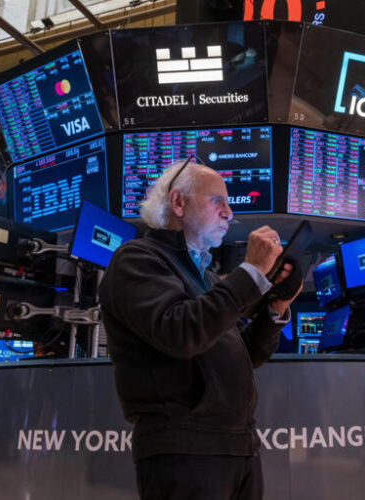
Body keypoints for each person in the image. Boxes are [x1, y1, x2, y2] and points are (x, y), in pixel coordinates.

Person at [99, 159, 303, 499]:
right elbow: (181, 333)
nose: (229, 212)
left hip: (239, 445)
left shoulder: (206, 279)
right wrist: (251, 272)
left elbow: (245, 354)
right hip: (184, 448)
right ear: (178, 203)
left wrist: (275, 308)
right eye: (217, 201)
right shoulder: (136, 259)